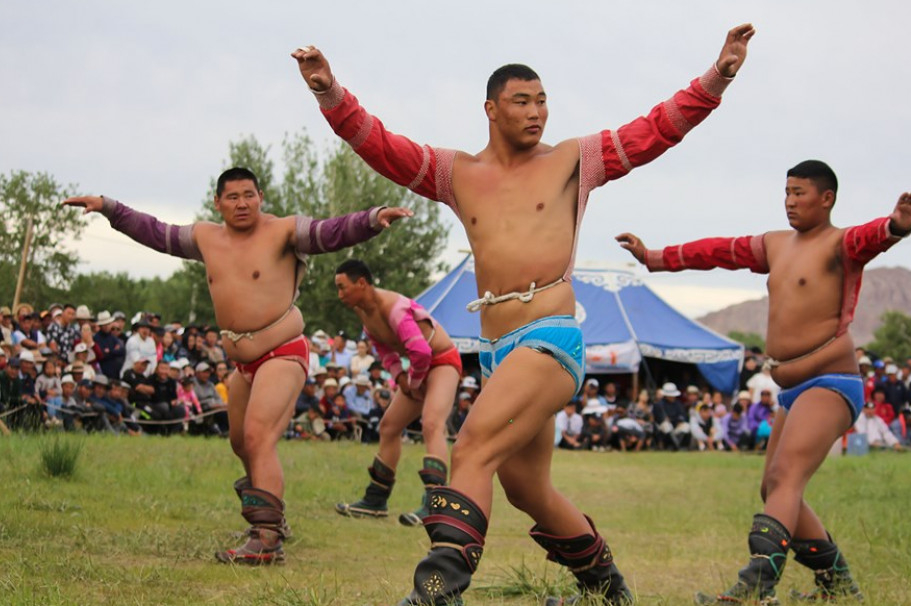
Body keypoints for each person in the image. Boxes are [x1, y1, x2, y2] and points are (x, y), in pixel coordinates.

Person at [294, 23, 753, 606]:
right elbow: (380, 145)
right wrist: (330, 93)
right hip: (496, 349)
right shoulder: (455, 172)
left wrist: (718, 76)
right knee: (527, 487)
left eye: (542, 101)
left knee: (472, 449)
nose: (537, 112)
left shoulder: (573, 161)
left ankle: (436, 590)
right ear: (490, 109)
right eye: (522, 102)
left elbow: (656, 129)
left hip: (552, 337)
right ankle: (607, 589)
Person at [63, 166, 411, 565]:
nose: (242, 203)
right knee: (240, 442)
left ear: (260, 196)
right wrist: (109, 207)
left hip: (282, 350)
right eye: (233, 196)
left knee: (259, 435)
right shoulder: (205, 237)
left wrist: (370, 219)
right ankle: (272, 518)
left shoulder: (283, 231)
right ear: (218, 203)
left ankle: (265, 539)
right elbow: (154, 232)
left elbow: (329, 232)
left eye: (249, 194)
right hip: (242, 363)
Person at [617, 160, 911, 603]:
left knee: (784, 477)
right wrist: (654, 258)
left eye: (799, 193)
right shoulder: (776, 244)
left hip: (831, 380)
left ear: (826, 198)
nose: (790, 201)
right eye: (786, 192)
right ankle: (838, 584)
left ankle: (755, 584)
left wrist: (896, 226)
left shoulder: (841, 244)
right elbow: (721, 251)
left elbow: (871, 237)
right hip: (792, 390)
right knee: (773, 487)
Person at [332, 259, 461, 527]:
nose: (340, 295)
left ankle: (436, 505)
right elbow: (383, 347)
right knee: (389, 426)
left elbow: (422, 352)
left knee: (432, 424)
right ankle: (376, 500)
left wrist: (411, 382)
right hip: (417, 368)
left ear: (362, 283)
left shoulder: (394, 308)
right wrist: (400, 378)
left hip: (442, 361)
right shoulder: (363, 311)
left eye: (343, 288)